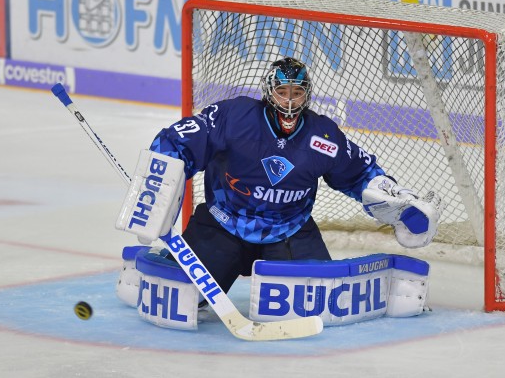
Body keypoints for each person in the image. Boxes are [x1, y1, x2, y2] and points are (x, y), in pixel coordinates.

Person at [148, 57, 444, 296]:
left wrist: (395, 202)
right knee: (181, 296)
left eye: (297, 92)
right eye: (282, 91)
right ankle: (168, 266)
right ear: (269, 91)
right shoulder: (234, 117)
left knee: (320, 302)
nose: (290, 100)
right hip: (223, 223)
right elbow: (176, 142)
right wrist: (158, 190)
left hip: (288, 230)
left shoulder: (323, 136)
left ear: (307, 94)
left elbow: (360, 174)